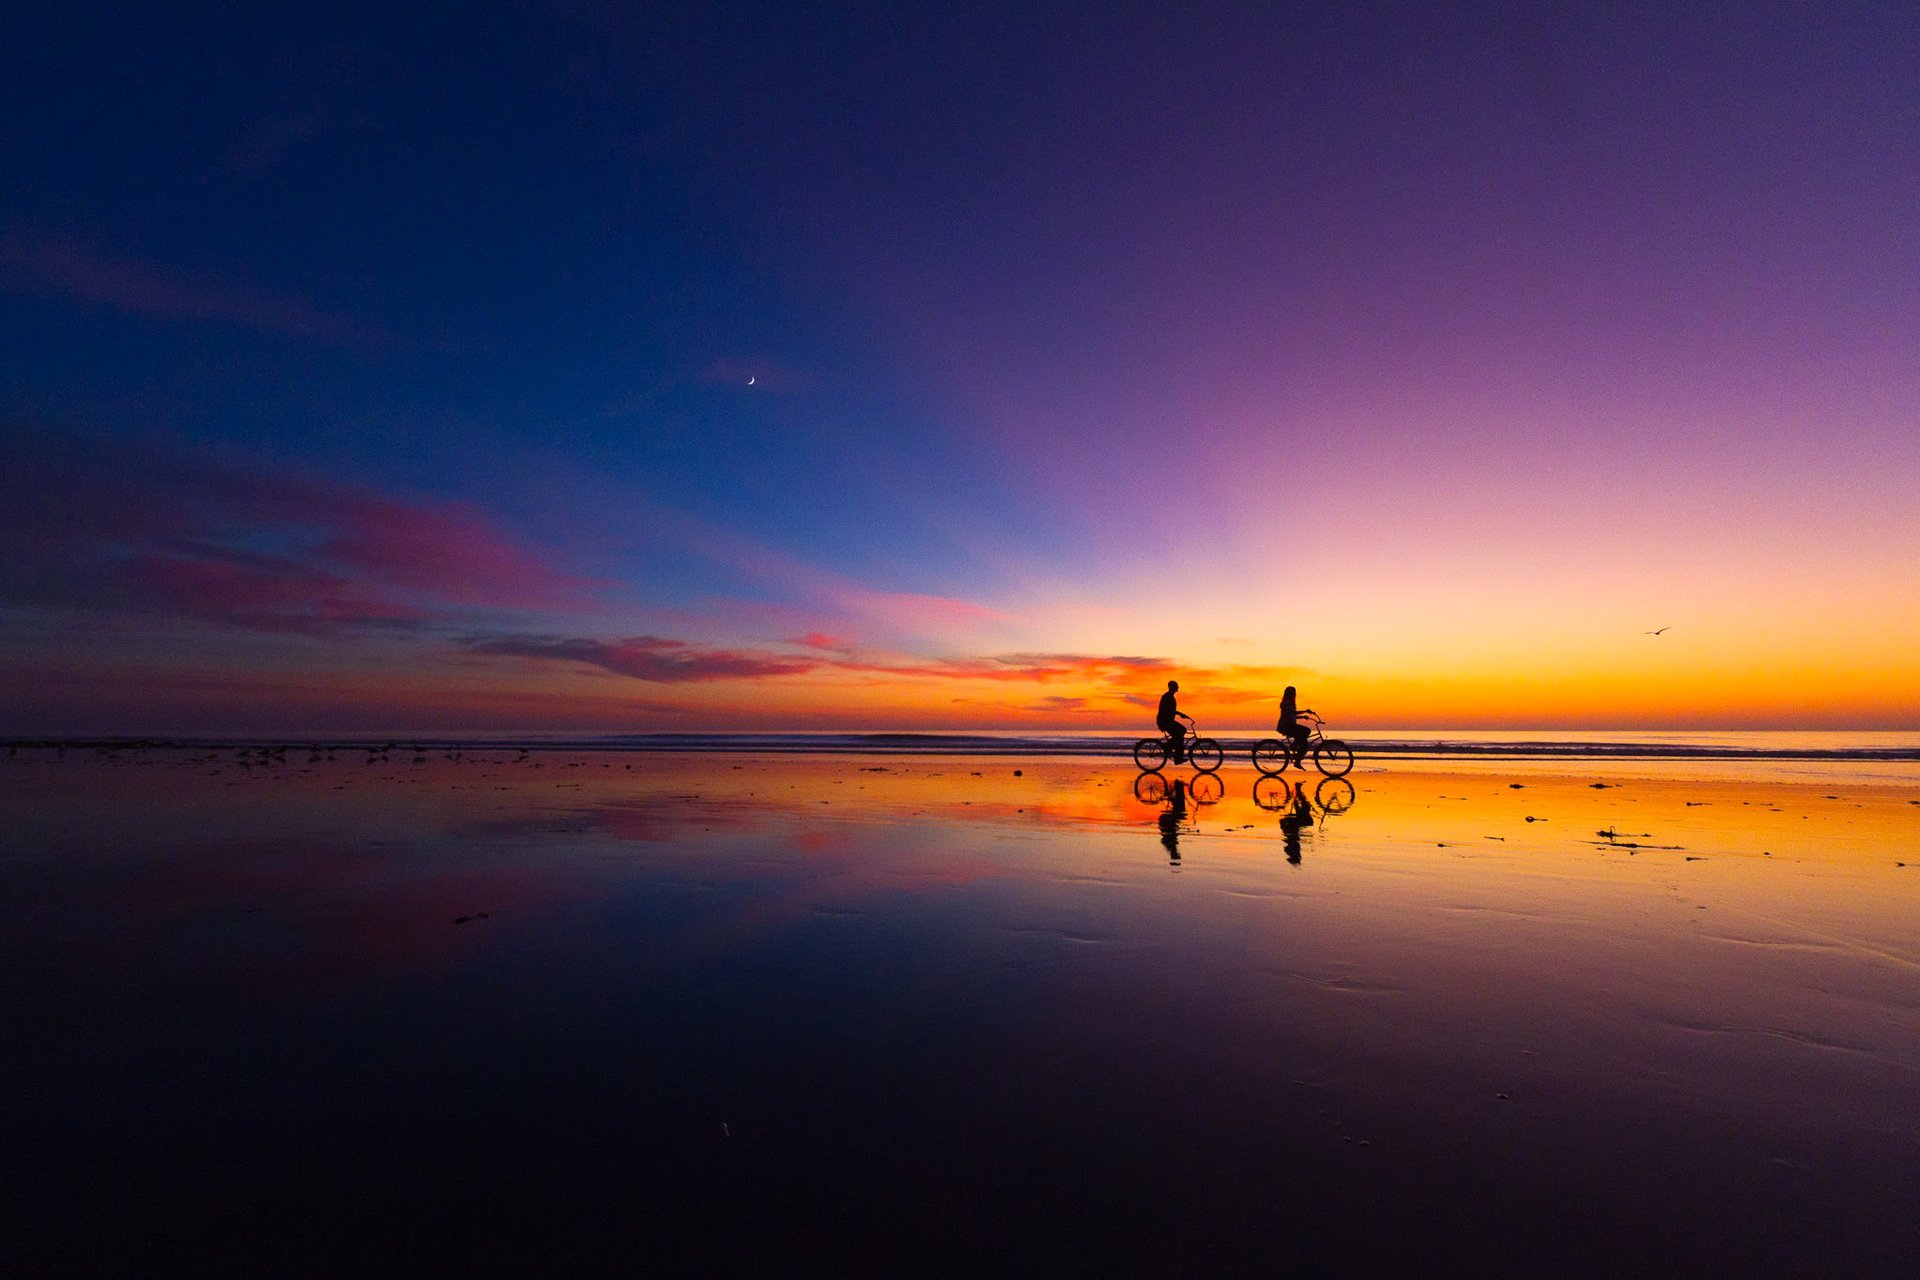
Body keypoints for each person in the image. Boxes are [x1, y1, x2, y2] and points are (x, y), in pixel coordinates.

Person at [1156, 679, 1194, 764]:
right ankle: (1174, 754)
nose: (1177, 688)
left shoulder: (1169, 696)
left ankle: (1172, 750)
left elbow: (1171, 710)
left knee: (1180, 733)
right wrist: (1181, 714)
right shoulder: (1168, 697)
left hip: (1167, 721)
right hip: (1165, 721)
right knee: (1181, 733)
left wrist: (1181, 714)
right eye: (1176, 686)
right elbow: (1169, 710)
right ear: (1173, 687)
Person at [1278, 685, 1314, 764]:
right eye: (1294, 692)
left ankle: (1296, 751)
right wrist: (1305, 711)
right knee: (1306, 732)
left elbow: (1291, 715)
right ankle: (1295, 751)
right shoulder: (1287, 703)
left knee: (1304, 740)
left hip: (1289, 725)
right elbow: (1292, 713)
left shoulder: (1289, 703)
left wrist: (1302, 717)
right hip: (1287, 726)